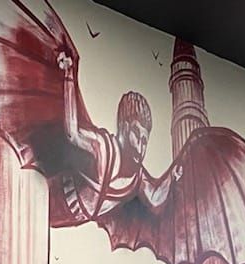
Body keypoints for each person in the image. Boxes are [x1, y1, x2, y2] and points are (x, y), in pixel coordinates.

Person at [56, 50, 174, 227]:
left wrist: (174, 174)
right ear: (124, 128)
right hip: (56, 197)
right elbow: (72, 134)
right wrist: (68, 77)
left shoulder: (137, 176)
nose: (141, 147)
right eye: (137, 136)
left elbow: (155, 199)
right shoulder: (104, 150)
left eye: (145, 141)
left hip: (72, 218)